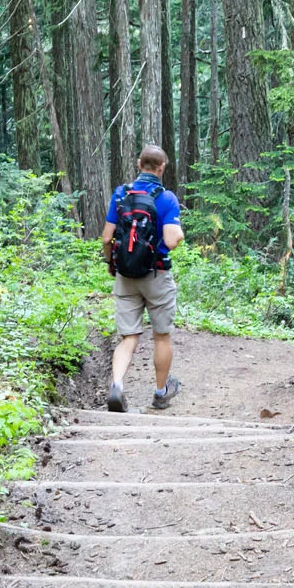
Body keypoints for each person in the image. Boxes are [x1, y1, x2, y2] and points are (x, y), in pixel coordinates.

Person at [100, 145, 184, 412]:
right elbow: (172, 240)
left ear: (139, 164)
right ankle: (160, 393)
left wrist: (111, 264)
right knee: (161, 336)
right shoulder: (167, 198)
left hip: (125, 275)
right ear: (162, 168)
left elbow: (106, 237)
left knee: (128, 337)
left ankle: (117, 386)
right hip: (156, 274)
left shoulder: (121, 193)